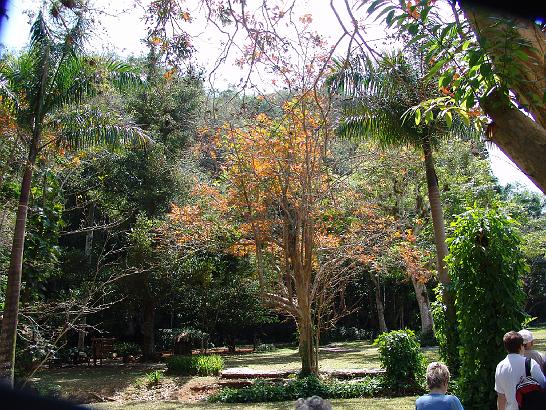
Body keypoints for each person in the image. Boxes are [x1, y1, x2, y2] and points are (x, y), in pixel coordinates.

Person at [495, 331, 546, 410]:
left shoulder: (500, 367)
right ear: (521, 346)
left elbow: (501, 397)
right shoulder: (530, 363)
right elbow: (543, 384)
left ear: (506, 348)